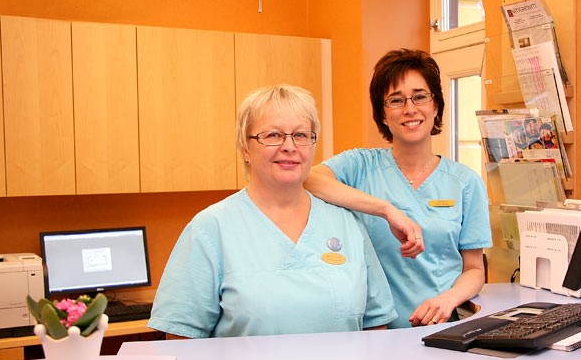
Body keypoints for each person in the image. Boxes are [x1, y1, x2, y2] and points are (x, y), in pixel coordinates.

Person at [148, 85, 397, 338]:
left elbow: (376, 325)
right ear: (245, 149)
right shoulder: (211, 228)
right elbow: (180, 338)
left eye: (301, 135)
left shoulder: (347, 223)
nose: (289, 146)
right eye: (273, 135)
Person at [305, 48, 492, 328]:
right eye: (396, 100)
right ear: (382, 114)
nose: (410, 109)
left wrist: (448, 299)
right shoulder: (360, 166)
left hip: (438, 328)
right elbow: (308, 178)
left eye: (420, 96)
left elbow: (475, 269)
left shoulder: (465, 182)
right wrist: (385, 209)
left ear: (436, 106)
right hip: (371, 329)